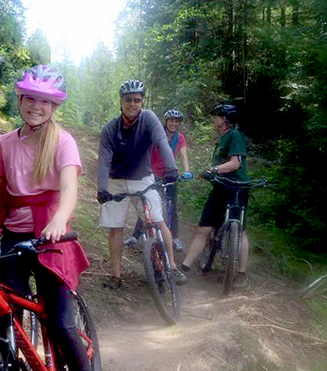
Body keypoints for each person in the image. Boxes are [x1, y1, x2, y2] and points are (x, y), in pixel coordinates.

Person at [0, 65, 99, 371]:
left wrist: (57, 222)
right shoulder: (3, 143)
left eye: (45, 101)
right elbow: (0, 200)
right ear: (19, 100)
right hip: (16, 238)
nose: (36, 106)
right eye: (29, 98)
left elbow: (69, 190)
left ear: (54, 107)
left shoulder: (63, 141)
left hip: (52, 235)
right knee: (5, 319)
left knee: (63, 323)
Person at [97, 80, 187, 289]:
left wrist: (172, 169)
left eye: (137, 100)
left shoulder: (149, 118)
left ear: (142, 101)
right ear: (121, 101)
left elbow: (162, 143)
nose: (133, 104)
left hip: (143, 178)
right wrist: (101, 188)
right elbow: (103, 160)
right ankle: (116, 275)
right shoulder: (110, 128)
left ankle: (172, 266)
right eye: (128, 99)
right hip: (116, 181)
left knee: (158, 221)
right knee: (116, 229)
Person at [179, 103, 250, 287]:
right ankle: (184, 268)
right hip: (221, 187)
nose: (213, 119)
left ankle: (241, 274)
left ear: (223, 119)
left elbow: (235, 163)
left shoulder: (234, 135)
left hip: (235, 188)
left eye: (215, 116)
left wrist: (214, 169)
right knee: (204, 229)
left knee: (239, 229)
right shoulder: (224, 138)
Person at [125, 109, 192, 251]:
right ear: (166, 121)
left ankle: (174, 238)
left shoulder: (180, 138)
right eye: (171, 121)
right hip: (152, 174)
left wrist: (186, 171)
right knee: (147, 204)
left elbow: (183, 155)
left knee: (172, 207)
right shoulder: (157, 133)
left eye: (177, 121)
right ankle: (135, 236)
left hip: (170, 175)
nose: (174, 123)